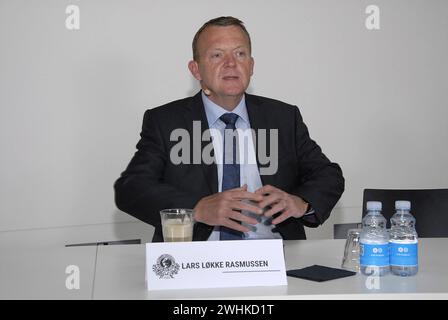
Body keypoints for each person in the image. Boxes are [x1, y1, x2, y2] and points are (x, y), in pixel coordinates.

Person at [114, 16, 344, 242]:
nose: (231, 63)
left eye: (240, 54)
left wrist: (301, 202)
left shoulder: (283, 117)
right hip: (195, 260)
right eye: (217, 55)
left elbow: (328, 175)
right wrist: (197, 209)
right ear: (196, 70)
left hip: (273, 258)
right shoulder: (166, 122)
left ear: (251, 66)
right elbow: (132, 189)